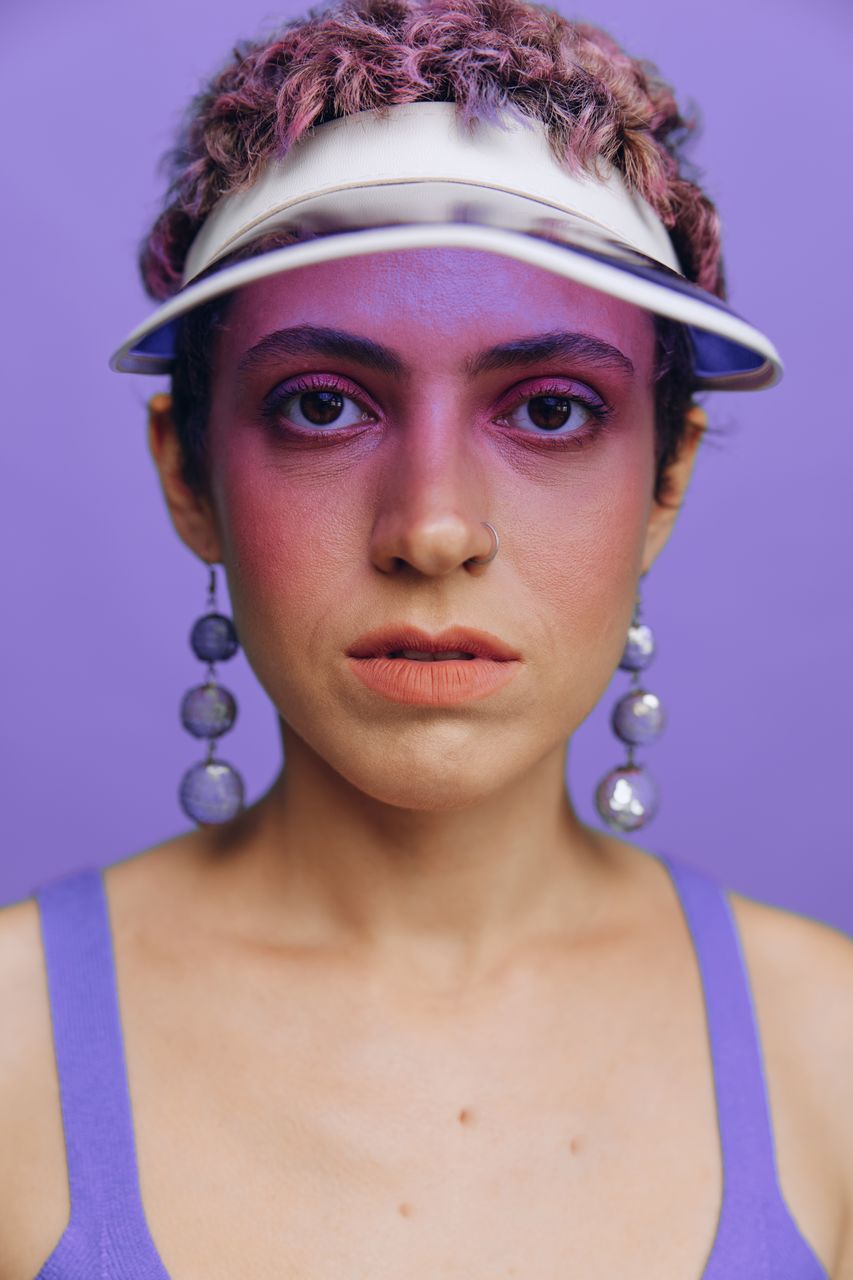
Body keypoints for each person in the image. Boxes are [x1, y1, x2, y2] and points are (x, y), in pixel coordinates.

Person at [1, 0, 851, 1276]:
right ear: (188, 475)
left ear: (667, 475)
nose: (435, 526)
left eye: (553, 409)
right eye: (324, 403)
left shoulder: (830, 1050)